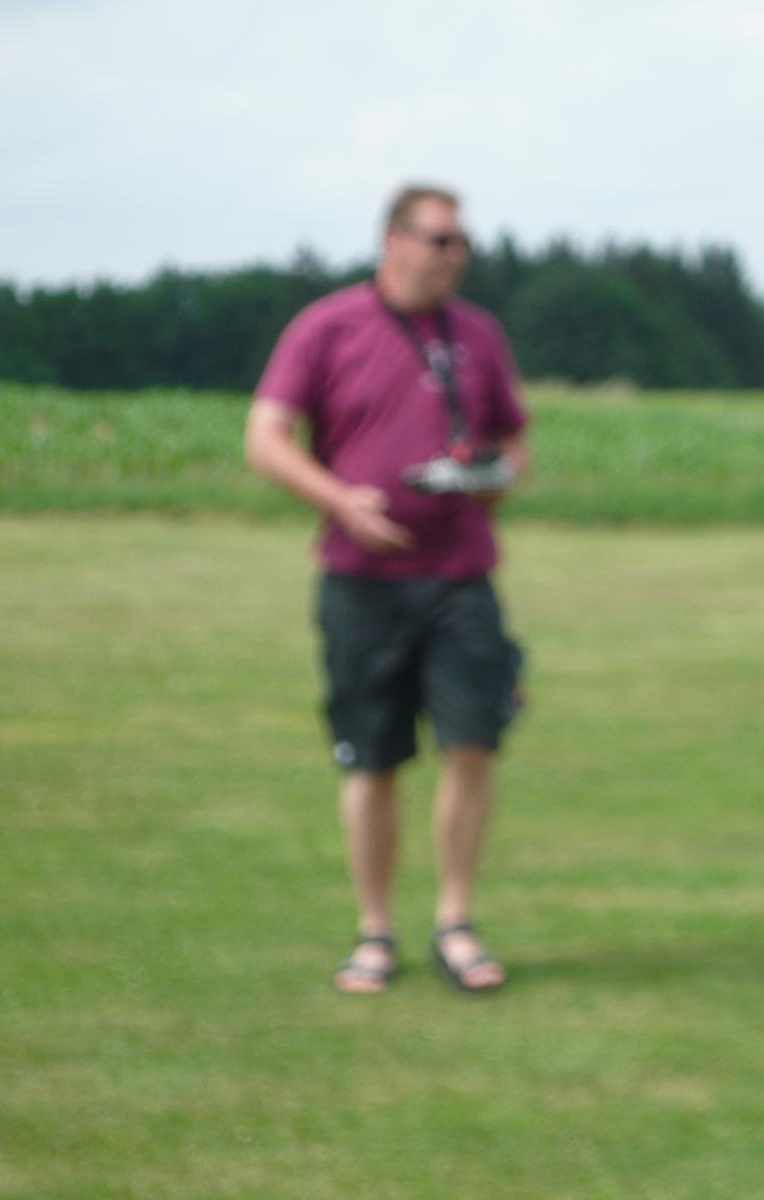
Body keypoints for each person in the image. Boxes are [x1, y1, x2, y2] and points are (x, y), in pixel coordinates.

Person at [246, 184, 530, 995]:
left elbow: (515, 439)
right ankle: (374, 931)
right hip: (361, 581)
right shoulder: (326, 327)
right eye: (440, 240)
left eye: (461, 243)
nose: (454, 256)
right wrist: (340, 500)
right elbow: (265, 438)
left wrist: (494, 478)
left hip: (462, 576)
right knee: (371, 759)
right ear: (393, 241)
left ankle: (456, 922)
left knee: (473, 745)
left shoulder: (478, 333)